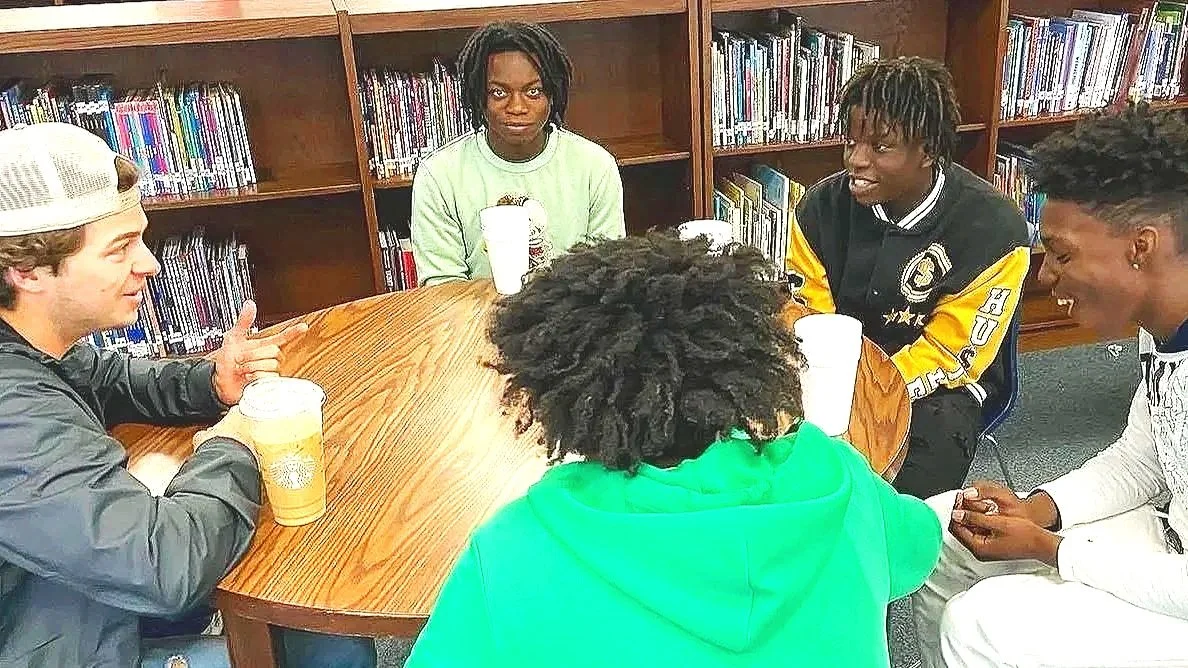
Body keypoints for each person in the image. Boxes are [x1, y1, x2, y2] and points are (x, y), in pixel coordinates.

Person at [404, 231, 942, 666]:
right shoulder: (836, 477)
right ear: (745, 363)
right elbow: (916, 549)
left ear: (564, 398)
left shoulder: (513, 549)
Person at [0, 122, 376, 668]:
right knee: (327, 644)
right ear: (28, 272)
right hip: (63, 642)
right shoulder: (12, 414)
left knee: (324, 624)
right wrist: (234, 446)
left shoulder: (35, 341)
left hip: (82, 598)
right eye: (120, 248)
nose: (149, 263)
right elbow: (164, 565)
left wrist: (210, 383)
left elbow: (107, 379)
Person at [912, 103, 1188, 667]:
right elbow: (1147, 460)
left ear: (1141, 247)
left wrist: (1055, 550)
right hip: (1169, 537)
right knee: (945, 527)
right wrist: (1042, 508)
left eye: (1062, 254)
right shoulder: (1163, 334)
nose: (1045, 276)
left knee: (983, 624)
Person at [785, 56, 1031, 498]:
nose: (855, 160)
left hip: (940, 386)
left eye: (880, 148)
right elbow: (808, 319)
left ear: (929, 151)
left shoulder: (994, 230)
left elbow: (951, 352)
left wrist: (872, 401)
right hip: (834, 367)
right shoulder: (819, 209)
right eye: (851, 140)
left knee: (907, 488)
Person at [411, 21, 626, 286]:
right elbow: (442, 290)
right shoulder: (438, 176)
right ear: (480, 97)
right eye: (499, 92)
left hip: (570, 321)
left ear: (552, 95)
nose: (517, 107)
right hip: (473, 322)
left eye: (533, 92)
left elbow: (606, 277)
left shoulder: (596, 167)